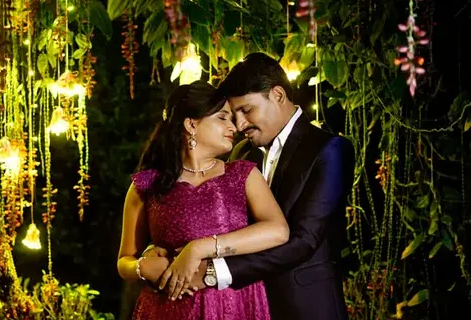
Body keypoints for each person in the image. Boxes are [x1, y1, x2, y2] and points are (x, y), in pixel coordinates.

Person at [144, 52, 355, 320]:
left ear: (278, 95)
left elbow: (304, 241)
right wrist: (157, 251)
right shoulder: (243, 155)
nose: (240, 124)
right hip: (246, 305)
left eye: (246, 110)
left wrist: (213, 272)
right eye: (233, 115)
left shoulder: (328, 149)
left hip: (305, 306)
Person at [116, 80, 290, 319]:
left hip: (234, 305)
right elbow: (124, 260)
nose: (235, 126)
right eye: (222, 117)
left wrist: (199, 248)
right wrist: (140, 268)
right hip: (168, 307)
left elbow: (278, 230)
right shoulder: (147, 185)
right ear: (191, 124)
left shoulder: (243, 174)